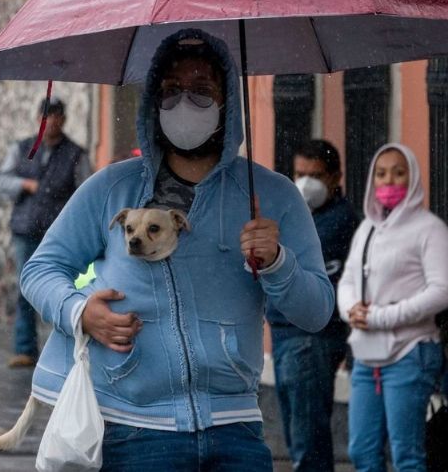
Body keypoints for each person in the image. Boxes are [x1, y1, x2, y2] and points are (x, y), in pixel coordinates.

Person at [21, 29, 334, 471]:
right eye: (171, 91)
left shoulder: (273, 196)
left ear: (228, 102)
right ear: (153, 101)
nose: (185, 103)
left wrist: (280, 263)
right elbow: (40, 270)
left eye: (202, 90)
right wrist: (79, 312)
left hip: (237, 432)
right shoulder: (111, 188)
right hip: (132, 432)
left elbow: (317, 312)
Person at [337, 143, 448, 472]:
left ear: (413, 178)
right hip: (366, 357)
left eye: (399, 173)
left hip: (409, 354)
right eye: (381, 174)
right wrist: (351, 311)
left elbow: (441, 291)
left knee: (407, 455)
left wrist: (382, 317)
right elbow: (347, 280)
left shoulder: (430, 230)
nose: (389, 181)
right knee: (362, 451)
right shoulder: (367, 228)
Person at [267, 139, 358, 471]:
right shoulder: (297, 216)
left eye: (315, 175)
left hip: (310, 336)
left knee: (308, 439)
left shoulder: (338, 221)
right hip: (284, 333)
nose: (304, 183)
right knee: (297, 432)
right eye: (299, 173)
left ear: (335, 178)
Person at [0, 97, 90, 368]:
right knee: (25, 288)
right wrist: (24, 184)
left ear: (64, 120)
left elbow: (86, 190)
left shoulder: (75, 154)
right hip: (26, 228)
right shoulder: (22, 148)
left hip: (58, 232)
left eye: (57, 117)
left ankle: (62, 351)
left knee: (63, 289)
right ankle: (24, 348)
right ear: (39, 118)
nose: (52, 122)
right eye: (47, 116)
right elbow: (2, 182)